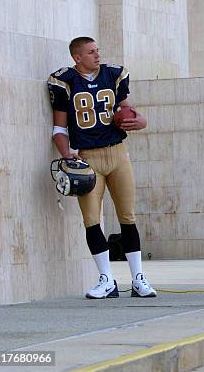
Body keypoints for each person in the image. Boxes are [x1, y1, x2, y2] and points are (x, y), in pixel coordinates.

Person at [47, 37, 156, 299]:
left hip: (118, 154)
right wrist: (67, 154)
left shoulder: (114, 74)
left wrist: (140, 121)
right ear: (77, 57)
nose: (97, 55)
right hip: (87, 158)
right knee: (91, 220)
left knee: (127, 216)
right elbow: (59, 129)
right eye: (91, 52)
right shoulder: (64, 81)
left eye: (98, 50)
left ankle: (138, 278)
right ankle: (106, 279)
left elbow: (129, 112)